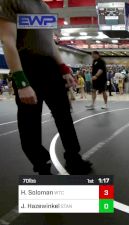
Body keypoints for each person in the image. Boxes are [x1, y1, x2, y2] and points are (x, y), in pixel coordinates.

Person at [0, 0, 92, 174]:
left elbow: (49, 42)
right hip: (27, 65)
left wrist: (64, 69)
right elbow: (7, 41)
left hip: (50, 67)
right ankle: (41, 164)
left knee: (64, 115)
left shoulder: (45, 8)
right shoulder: (12, 1)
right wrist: (21, 81)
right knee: (29, 122)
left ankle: (73, 157)